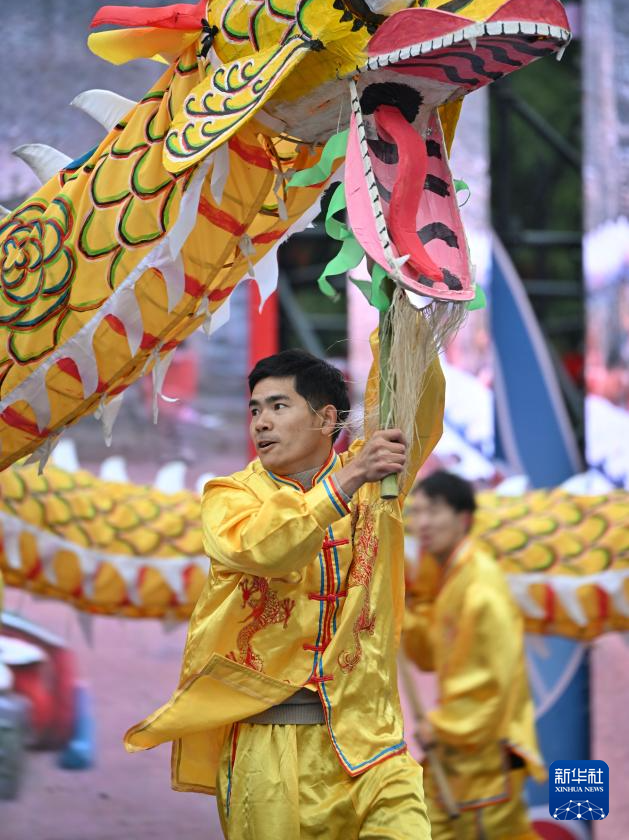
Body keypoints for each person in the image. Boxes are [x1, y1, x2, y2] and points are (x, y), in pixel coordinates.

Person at [126, 344, 445, 839]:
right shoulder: (230, 496)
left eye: (278, 406)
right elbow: (264, 549)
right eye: (255, 409)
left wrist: (409, 318)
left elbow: (414, 405)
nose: (261, 422)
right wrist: (346, 481)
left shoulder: (378, 481)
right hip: (267, 748)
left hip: (370, 742)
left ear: (326, 419)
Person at [403, 470, 545, 840]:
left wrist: (441, 726)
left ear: (463, 518)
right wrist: (405, 607)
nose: (422, 523)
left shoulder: (480, 586)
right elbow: (429, 656)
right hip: (459, 753)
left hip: (484, 757)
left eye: (434, 511)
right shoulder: (450, 576)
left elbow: (492, 684)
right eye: (417, 512)